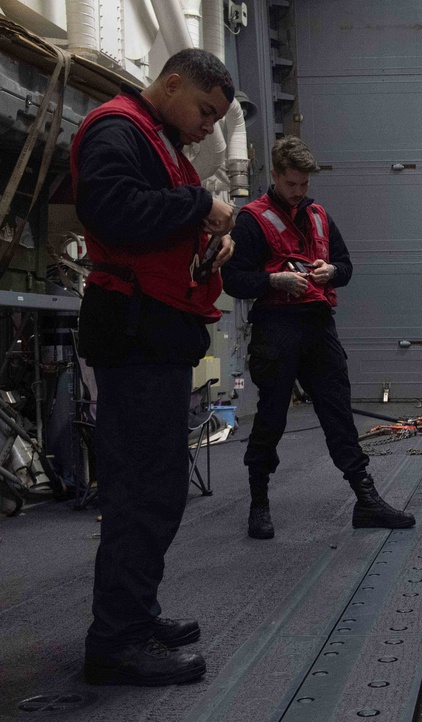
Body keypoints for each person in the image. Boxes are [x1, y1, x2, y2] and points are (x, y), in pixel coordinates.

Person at [72, 49, 236, 686]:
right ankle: (115, 643)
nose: (207, 126)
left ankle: (134, 616)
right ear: (171, 84)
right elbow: (113, 213)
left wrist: (212, 242)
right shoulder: (117, 130)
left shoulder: (164, 143)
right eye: (204, 110)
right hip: (135, 334)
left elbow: (158, 222)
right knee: (143, 492)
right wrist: (198, 209)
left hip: (156, 335)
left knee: (156, 487)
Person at [222, 137, 414, 539]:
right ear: (275, 176)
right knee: (271, 418)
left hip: (318, 325)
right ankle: (259, 503)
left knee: (338, 413)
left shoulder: (319, 215)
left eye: (304, 185)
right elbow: (234, 279)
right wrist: (274, 279)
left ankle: (366, 500)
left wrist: (332, 272)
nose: (299, 192)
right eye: (292, 184)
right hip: (276, 328)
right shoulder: (251, 220)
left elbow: (345, 265)